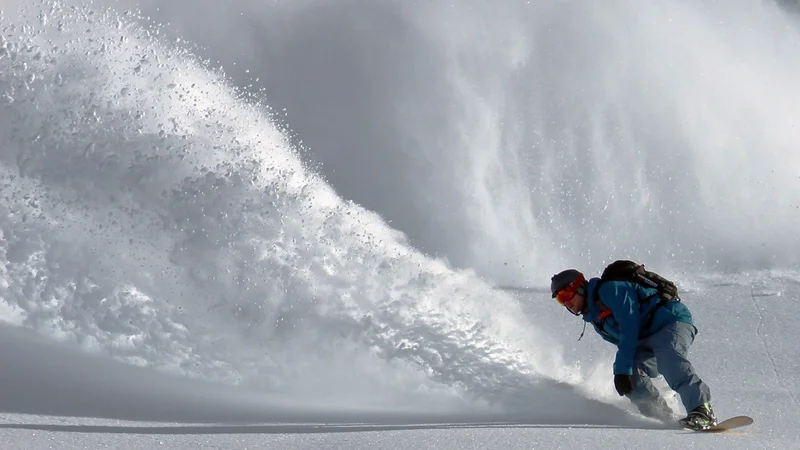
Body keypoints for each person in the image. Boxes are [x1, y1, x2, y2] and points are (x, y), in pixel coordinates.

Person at [549, 267, 717, 430]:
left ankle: (702, 410)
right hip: (644, 339)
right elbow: (624, 343)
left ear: (580, 288)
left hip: (669, 322)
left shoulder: (611, 290)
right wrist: (625, 371)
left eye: (566, 294)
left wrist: (622, 369)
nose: (566, 303)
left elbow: (629, 326)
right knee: (631, 376)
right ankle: (663, 417)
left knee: (668, 359)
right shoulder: (596, 319)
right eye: (560, 300)